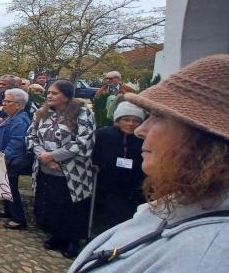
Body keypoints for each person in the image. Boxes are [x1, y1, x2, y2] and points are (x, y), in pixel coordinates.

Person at [70, 54, 229, 273]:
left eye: (158, 117)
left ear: (206, 143)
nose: (140, 130)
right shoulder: (186, 210)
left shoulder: (209, 256)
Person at [28, 80, 95, 258]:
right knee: (52, 204)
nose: (49, 96)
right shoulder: (42, 113)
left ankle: (71, 241)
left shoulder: (83, 113)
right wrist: (43, 155)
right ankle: (56, 235)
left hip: (72, 172)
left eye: (54, 93)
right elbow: (31, 137)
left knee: (70, 207)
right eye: (48, 92)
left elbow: (84, 142)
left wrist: (54, 156)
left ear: (66, 96)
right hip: (46, 168)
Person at [90, 101, 146, 233]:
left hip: (132, 186)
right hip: (106, 183)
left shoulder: (143, 138)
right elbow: (94, 153)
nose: (130, 124)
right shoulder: (103, 134)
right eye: (126, 120)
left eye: (135, 121)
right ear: (118, 120)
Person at [0, 88, 32, 230]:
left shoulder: (20, 120)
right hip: (6, 158)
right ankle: (9, 211)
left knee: (11, 188)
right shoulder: (12, 117)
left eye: (7, 101)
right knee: (6, 187)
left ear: (18, 104)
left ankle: (18, 218)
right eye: (4, 100)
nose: (4, 103)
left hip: (11, 160)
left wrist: (3, 157)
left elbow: (17, 142)